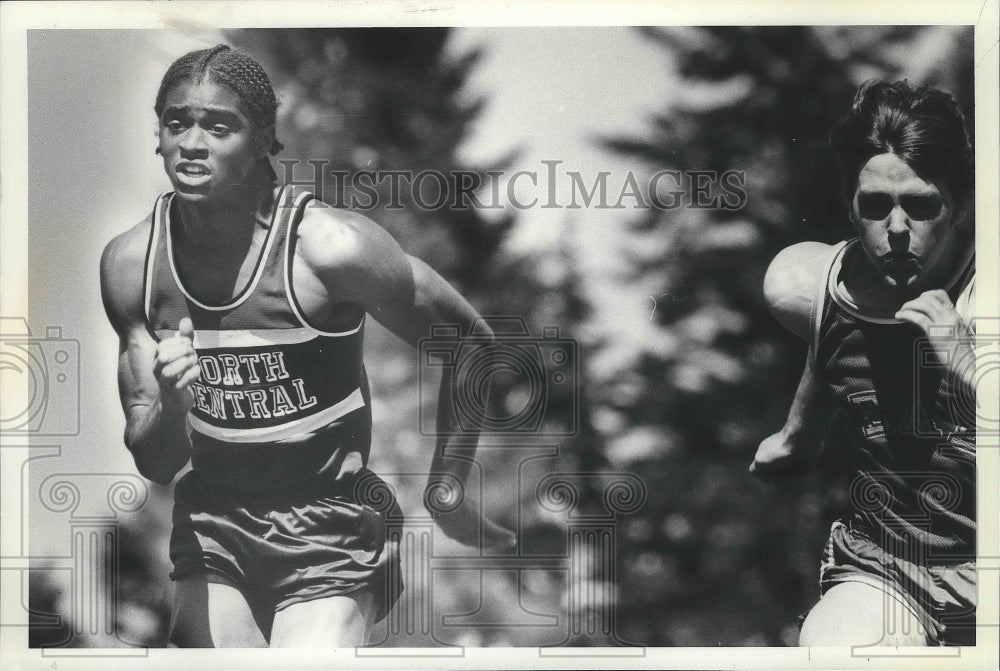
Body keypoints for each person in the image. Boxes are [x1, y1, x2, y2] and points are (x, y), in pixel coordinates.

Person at [100, 44, 514, 648]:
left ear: (267, 140)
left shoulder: (332, 250)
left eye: (219, 125)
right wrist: (172, 401)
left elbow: (470, 343)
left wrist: (447, 486)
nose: (192, 142)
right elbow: (155, 461)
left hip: (331, 527)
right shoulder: (132, 266)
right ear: (157, 134)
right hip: (214, 526)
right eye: (176, 122)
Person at [751, 80, 977, 646]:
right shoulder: (809, 286)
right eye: (876, 205)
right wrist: (798, 435)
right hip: (890, 570)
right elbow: (832, 336)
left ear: (964, 206)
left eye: (922, 206)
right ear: (850, 204)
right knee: (836, 648)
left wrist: (972, 368)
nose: (897, 230)